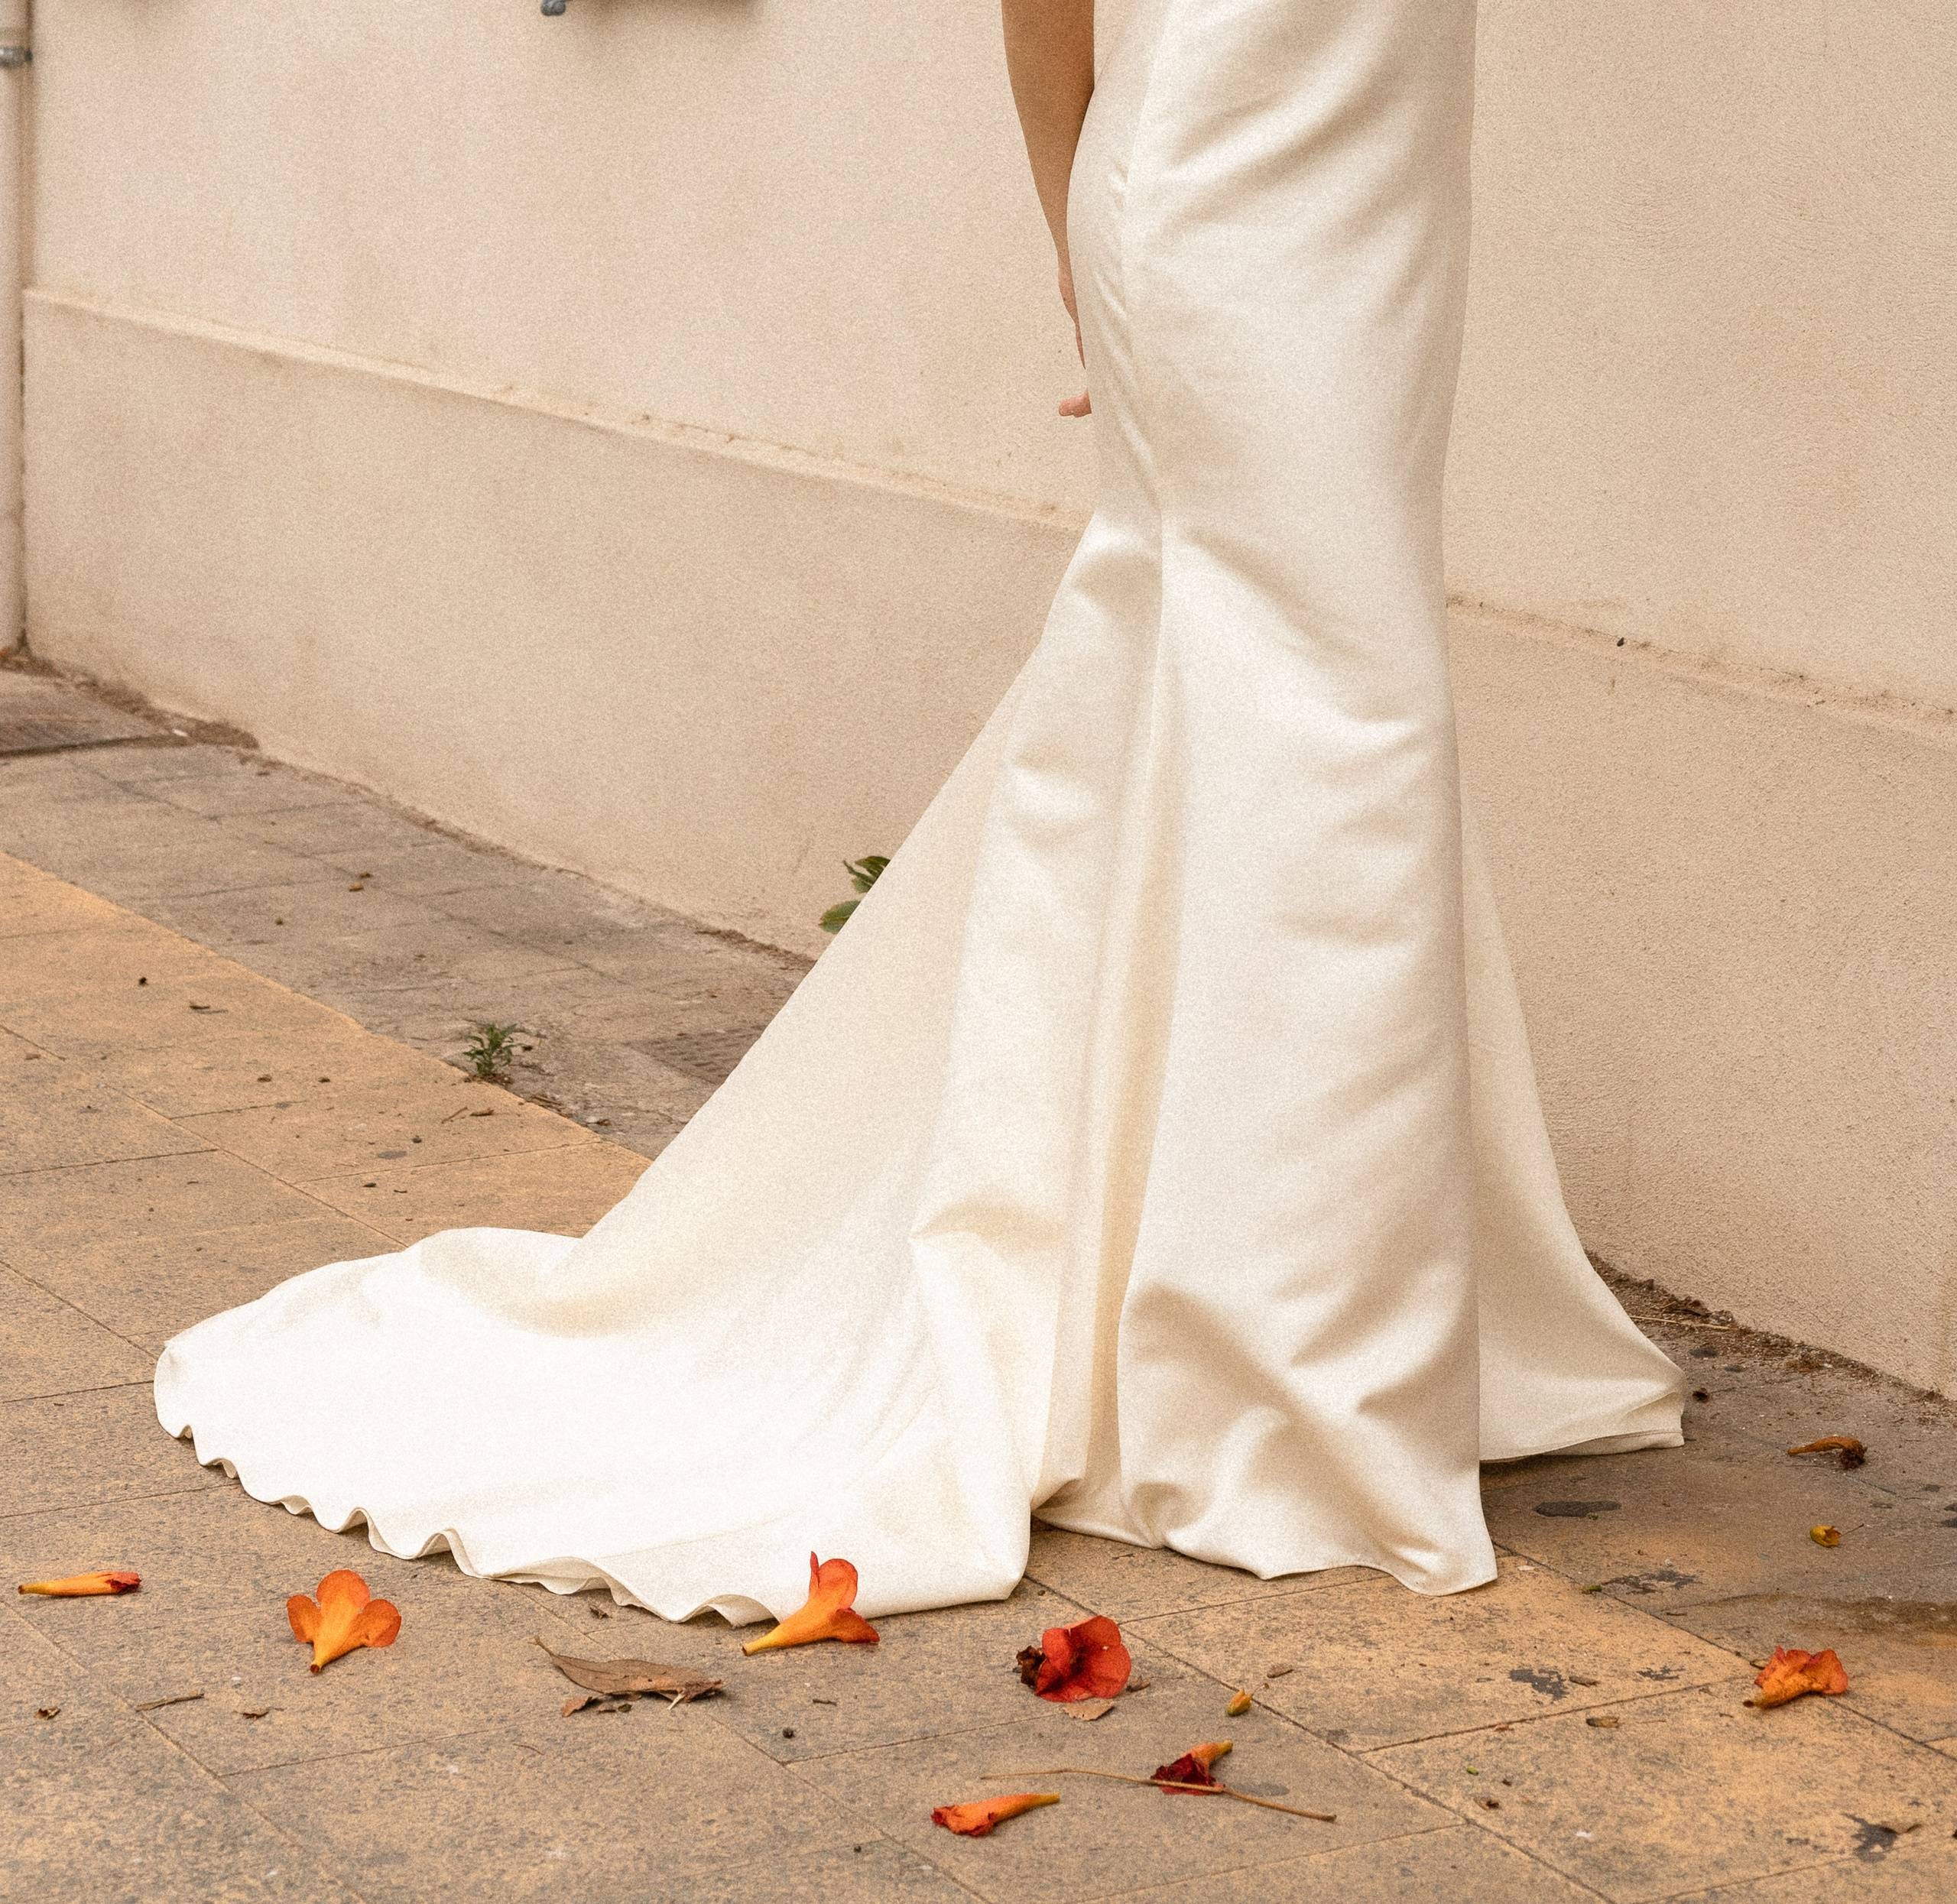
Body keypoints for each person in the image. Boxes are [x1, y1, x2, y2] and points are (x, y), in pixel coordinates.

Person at [156, 0, 1683, 1624]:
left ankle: (1270, 1319)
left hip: (1368, 190)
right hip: (1216, 198)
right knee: (1339, 712)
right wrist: (1077, 223)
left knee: (1287, 715)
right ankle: (1280, 1373)